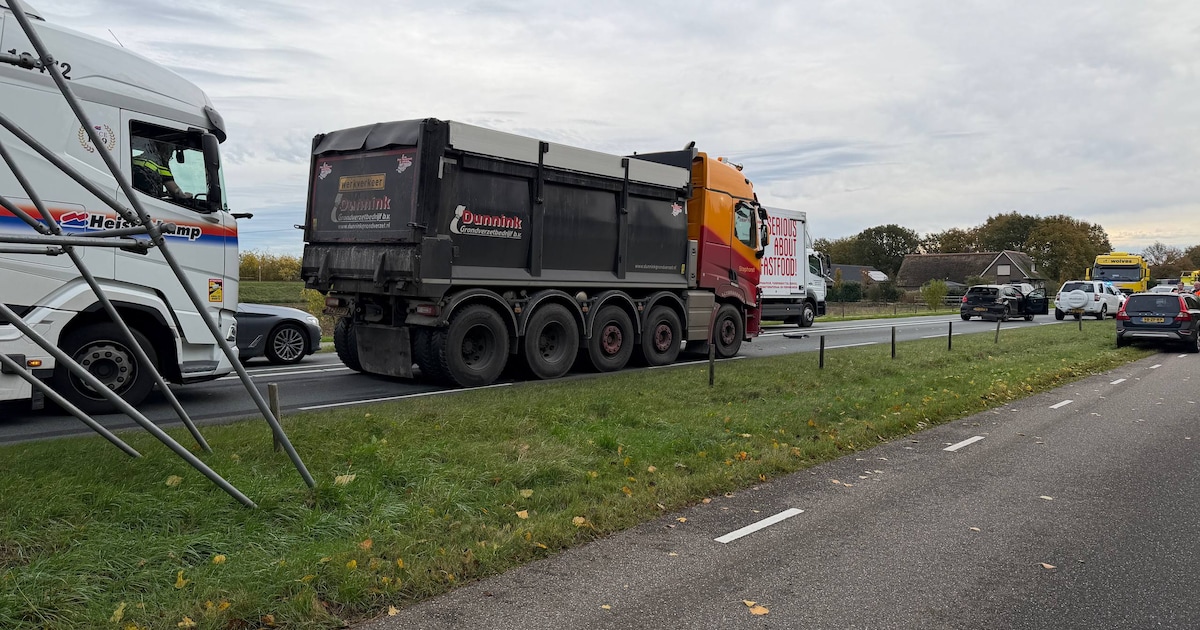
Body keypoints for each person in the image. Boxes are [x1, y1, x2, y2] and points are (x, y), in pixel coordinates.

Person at [131, 137, 192, 201]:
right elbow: (176, 192)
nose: (169, 157)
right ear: (164, 152)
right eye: (169, 153)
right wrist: (186, 196)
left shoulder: (134, 160)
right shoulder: (160, 167)